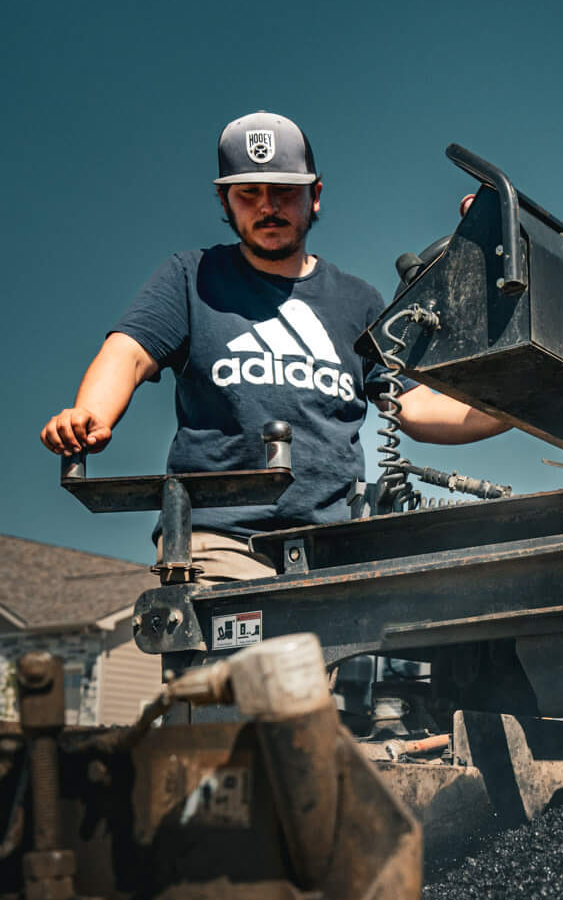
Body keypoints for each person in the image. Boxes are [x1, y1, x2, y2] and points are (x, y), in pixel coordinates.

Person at [40, 111, 507, 583]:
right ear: (225, 201)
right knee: (236, 657)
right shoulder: (192, 278)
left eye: (284, 191)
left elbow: (412, 406)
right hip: (219, 540)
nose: (268, 207)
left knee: (315, 659)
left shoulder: (358, 301)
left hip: (330, 550)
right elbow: (129, 352)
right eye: (249, 193)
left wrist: (522, 402)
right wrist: (91, 414)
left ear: (315, 197)